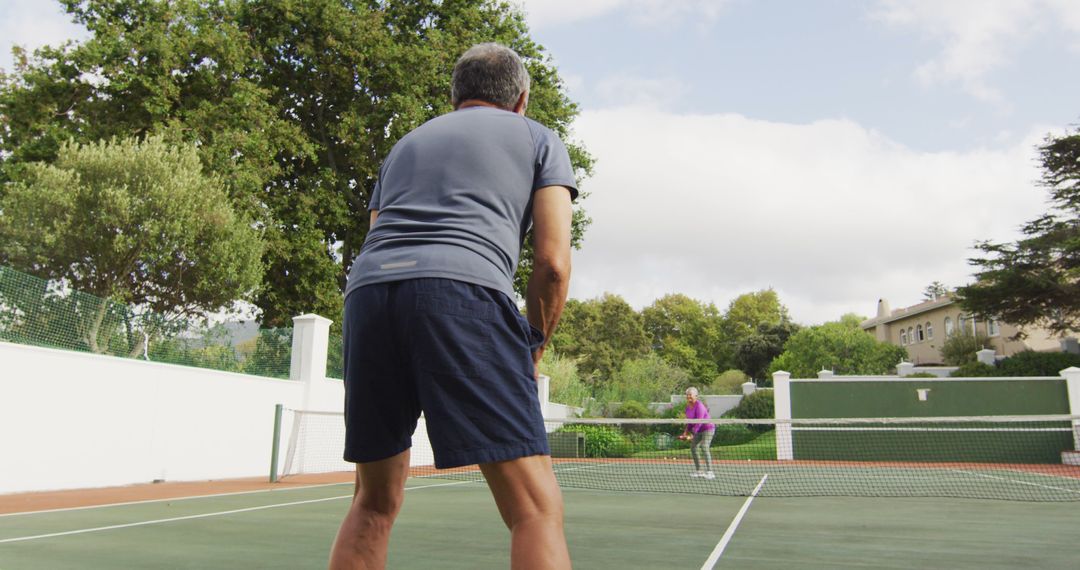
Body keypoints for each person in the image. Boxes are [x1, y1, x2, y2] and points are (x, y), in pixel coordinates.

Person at [328, 43, 577, 570]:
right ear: (522, 100)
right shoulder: (538, 138)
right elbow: (552, 263)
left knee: (372, 501)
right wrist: (532, 343)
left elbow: (379, 235)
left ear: (455, 96)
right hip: (461, 292)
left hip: (368, 294)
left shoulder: (406, 144)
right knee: (536, 508)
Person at [679, 387, 716, 480]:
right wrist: (685, 433)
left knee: (704, 446)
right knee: (693, 447)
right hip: (698, 430)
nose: (688, 396)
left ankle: (710, 472)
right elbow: (690, 422)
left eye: (690, 395)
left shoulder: (699, 406)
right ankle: (699, 471)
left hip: (708, 428)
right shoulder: (687, 408)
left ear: (696, 396)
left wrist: (692, 434)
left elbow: (699, 421)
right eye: (687, 395)